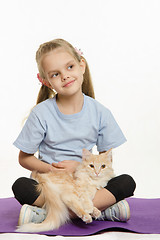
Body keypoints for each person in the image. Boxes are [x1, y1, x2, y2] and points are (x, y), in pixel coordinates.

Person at [12, 38, 136, 226]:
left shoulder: (100, 112)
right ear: (45, 81)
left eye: (70, 67)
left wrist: (80, 168)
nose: (65, 76)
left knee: (126, 182)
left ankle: (52, 213)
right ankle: (100, 211)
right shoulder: (41, 114)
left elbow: (105, 159)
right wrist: (52, 169)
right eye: (55, 74)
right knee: (21, 186)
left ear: (81, 66)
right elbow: (24, 158)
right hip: (55, 183)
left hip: (87, 183)